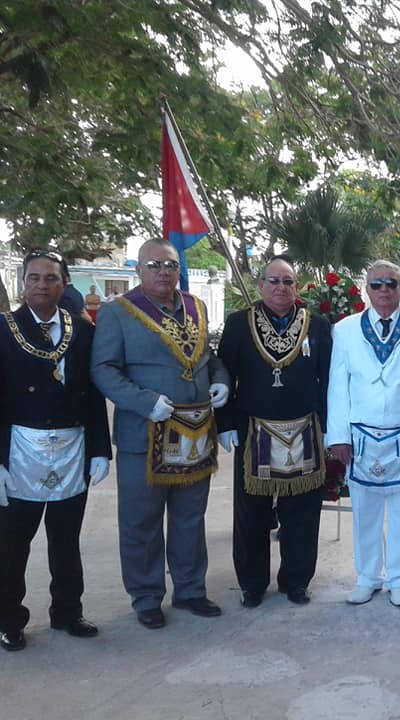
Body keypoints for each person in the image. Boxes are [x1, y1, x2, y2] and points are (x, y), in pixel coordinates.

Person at [91, 239, 229, 630]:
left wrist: (220, 381)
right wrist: (143, 401)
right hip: (145, 432)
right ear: (138, 269)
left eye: (170, 265)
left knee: (190, 517)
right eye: (155, 265)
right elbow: (103, 369)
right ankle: (146, 596)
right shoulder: (117, 313)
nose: (164, 272)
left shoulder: (196, 307)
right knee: (141, 520)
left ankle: (189, 590)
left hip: (194, 432)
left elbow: (209, 357)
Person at [0, 249, 111, 652]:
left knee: (66, 540)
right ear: (22, 283)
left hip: (71, 447)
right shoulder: (3, 327)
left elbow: (94, 392)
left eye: (50, 278)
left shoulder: (81, 330)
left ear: (65, 283)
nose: (42, 285)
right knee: (12, 545)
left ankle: (67, 612)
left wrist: (100, 448)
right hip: (19, 452)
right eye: (34, 278)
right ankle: (9, 619)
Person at [216, 255, 332, 608]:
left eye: (288, 281)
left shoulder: (318, 325)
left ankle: (296, 581)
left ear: (297, 287)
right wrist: (225, 424)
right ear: (260, 285)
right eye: (274, 281)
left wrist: (330, 427)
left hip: (305, 431)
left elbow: (327, 379)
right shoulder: (238, 324)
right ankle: (252, 584)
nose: (281, 288)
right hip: (254, 431)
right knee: (251, 515)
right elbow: (223, 373)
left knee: (303, 514)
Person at [327, 260, 400, 608]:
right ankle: (366, 576)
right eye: (376, 284)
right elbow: (338, 385)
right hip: (360, 433)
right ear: (366, 289)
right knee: (364, 508)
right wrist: (338, 435)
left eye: (390, 283)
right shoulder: (345, 329)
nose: (383, 290)